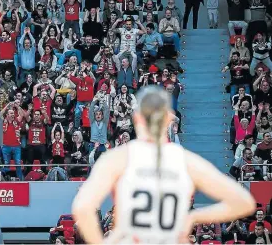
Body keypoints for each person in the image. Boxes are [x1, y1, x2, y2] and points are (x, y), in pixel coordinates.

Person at [72, 86, 256, 244]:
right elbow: (244, 202)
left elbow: (82, 208)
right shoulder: (184, 160)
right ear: (168, 120)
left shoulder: (116, 159)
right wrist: (193, 217)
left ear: (136, 119)